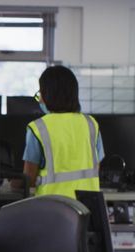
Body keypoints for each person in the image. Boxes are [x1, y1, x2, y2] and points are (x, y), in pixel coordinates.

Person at [21, 65, 104, 200]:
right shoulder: (91, 124)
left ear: (48, 94)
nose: (40, 99)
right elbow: (96, 168)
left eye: (40, 93)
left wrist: (14, 181)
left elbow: (28, 179)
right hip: (88, 208)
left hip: (53, 209)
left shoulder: (38, 128)